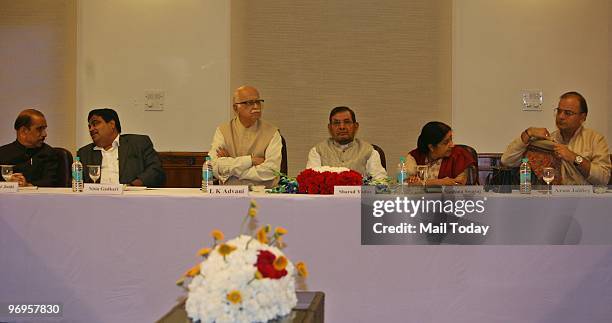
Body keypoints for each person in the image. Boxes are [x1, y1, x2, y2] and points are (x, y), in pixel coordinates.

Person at [501, 91, 610, 185]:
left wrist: (574, 158)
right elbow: (507, 161)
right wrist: (528, 133)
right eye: (559, 111)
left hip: (584, 203)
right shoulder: (547, 142)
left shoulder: (595, 139)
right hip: (551, 202)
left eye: (568, 113)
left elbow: (603, 179)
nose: (561, 116)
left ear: (583, 117)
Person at [208, 85, 282, 188]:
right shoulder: (223, 131)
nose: (256, 106)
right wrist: (250, 161)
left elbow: (271, 171)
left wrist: (231, 170)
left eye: (258, 102)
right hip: (229, 195)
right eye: (249, 103)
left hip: (263, 196)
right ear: (235, 108)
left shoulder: (272, 132)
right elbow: (213, 167)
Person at [77, 108, 165, 187]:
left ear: (112, 124)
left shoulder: (138, 144)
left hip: (131, 199)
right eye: (89, 126)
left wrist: (134, 185)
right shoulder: (84, 153)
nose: (91, 129)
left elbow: (156, 170)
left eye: (95, 124)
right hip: (95, 200)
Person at [306, 106, 387, 180]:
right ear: (330, 128)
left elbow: (380, 181)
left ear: (356, 126)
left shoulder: (369, 151)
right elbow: (310, 180)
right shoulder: (317, 151)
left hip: (359, 196)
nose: (342, 127)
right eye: (336, 123)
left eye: (347, 122)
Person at [0, 109, 59, 187]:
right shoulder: (2, 153)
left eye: (44, 129)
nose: (45, 134)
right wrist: (7, 184)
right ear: (23, 131)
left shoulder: (49, 154)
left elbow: (51, 183)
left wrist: (27, 185)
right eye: (39, 129)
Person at [406, 121, 476, 186]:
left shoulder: (459, 154)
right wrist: (440, 182)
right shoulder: (414, 157)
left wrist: (422, 183)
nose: (452, 145)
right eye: (446, 142)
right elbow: (406, 183)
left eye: (451, 139)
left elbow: (459, 184)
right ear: (431, 147)